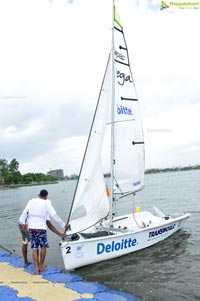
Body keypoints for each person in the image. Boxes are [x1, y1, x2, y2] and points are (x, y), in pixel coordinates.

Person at [19, 189, 68, 275]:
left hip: (31, 228)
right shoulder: (46, 203)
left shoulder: (31, 201)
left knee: (34, 248)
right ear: (46, 196)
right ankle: (41, 266)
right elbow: (54, 216)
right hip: (41, 228)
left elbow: (25, 212)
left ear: (39, 195)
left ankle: (36, 269)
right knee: (43, 247)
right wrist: (64, 225)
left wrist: (24, 223)